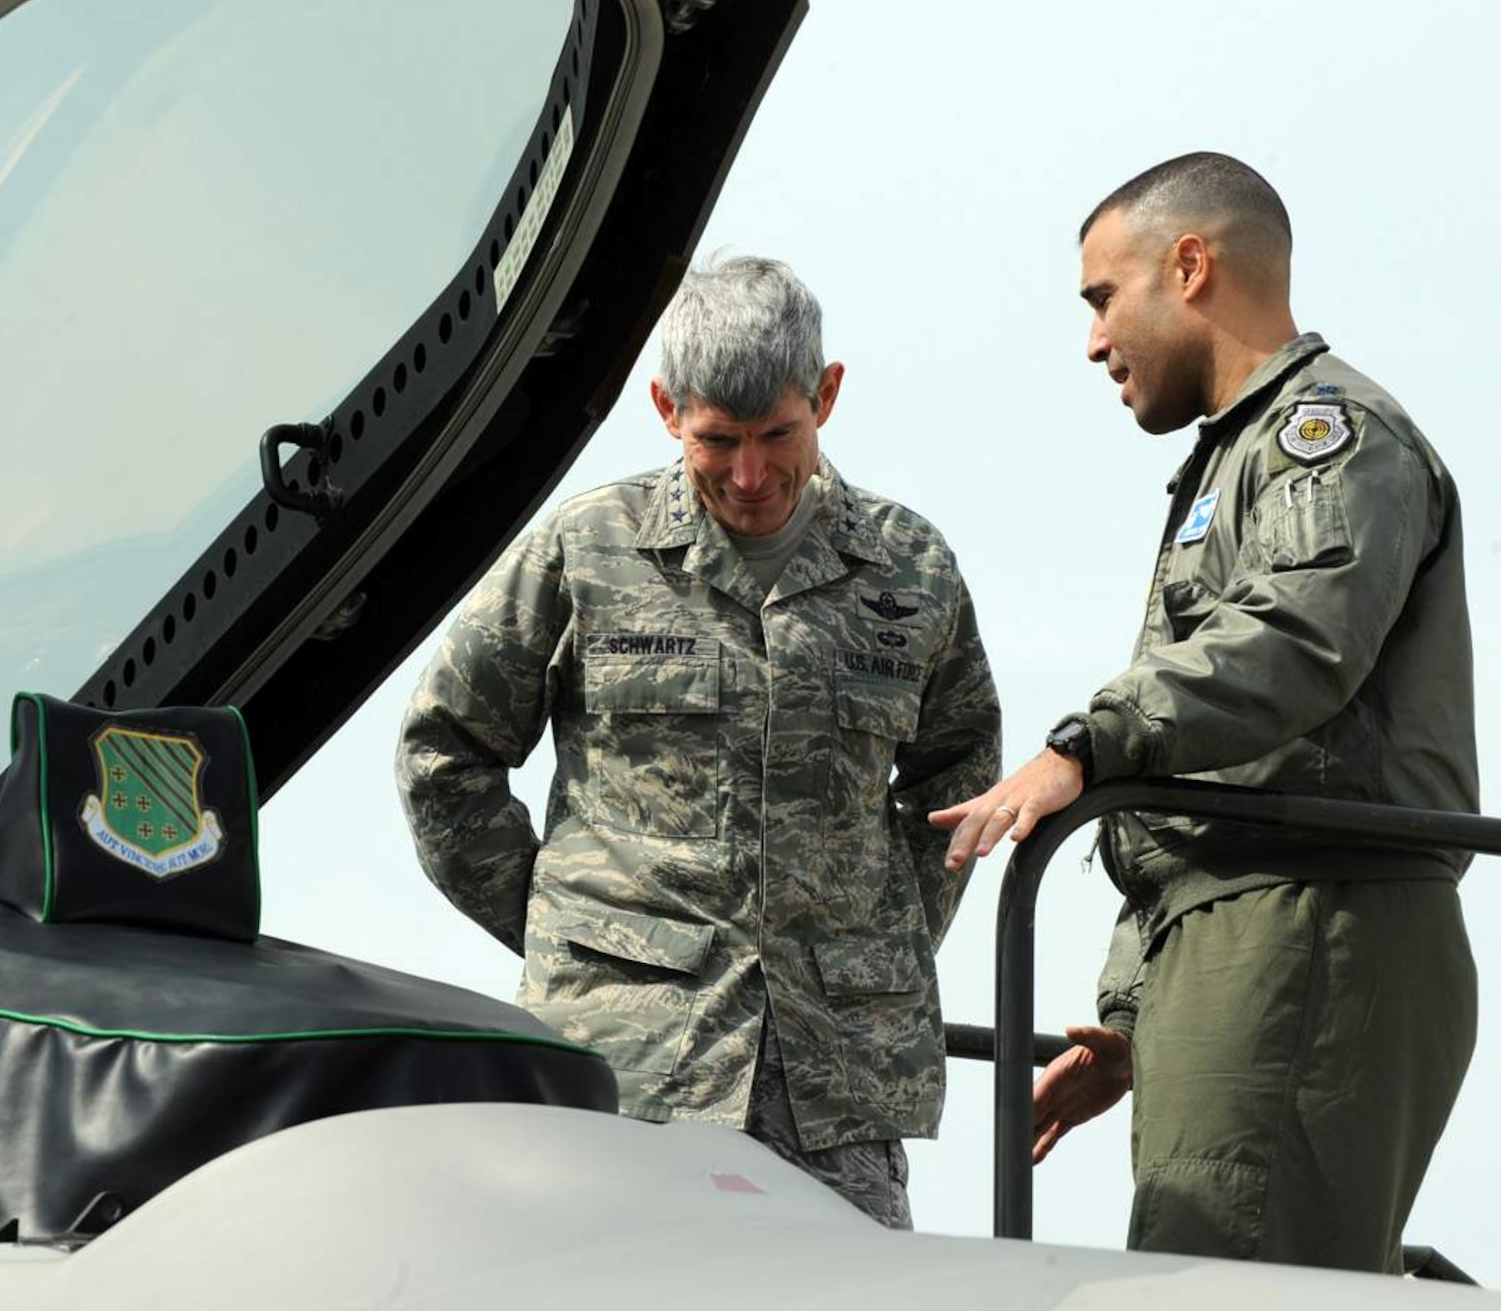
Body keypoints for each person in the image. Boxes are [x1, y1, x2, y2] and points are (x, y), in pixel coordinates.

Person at [931, 153, 1478, 1272]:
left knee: (1224, 1281)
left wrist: (1085, 742)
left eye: (1099, 298)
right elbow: (1215, 783)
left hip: (1305, 926)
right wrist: (1131, 1011)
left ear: (1188, 266)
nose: (1091, 341)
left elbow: (1293, 640)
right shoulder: (1230, 462)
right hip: (1247, 935)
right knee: (1212, 1268)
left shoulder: (1324, 436)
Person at [397, 256, 1001, 1228]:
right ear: (664, 406)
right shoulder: (587, 547)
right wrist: (581, 937)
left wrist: (867, 945)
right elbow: (444, 750)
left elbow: (957, 778)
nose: (750, 475)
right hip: (627, 1070)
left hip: (833, 1082)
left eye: (777, 435)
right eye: (717, 440)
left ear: (827, 395)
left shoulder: (909, 568)